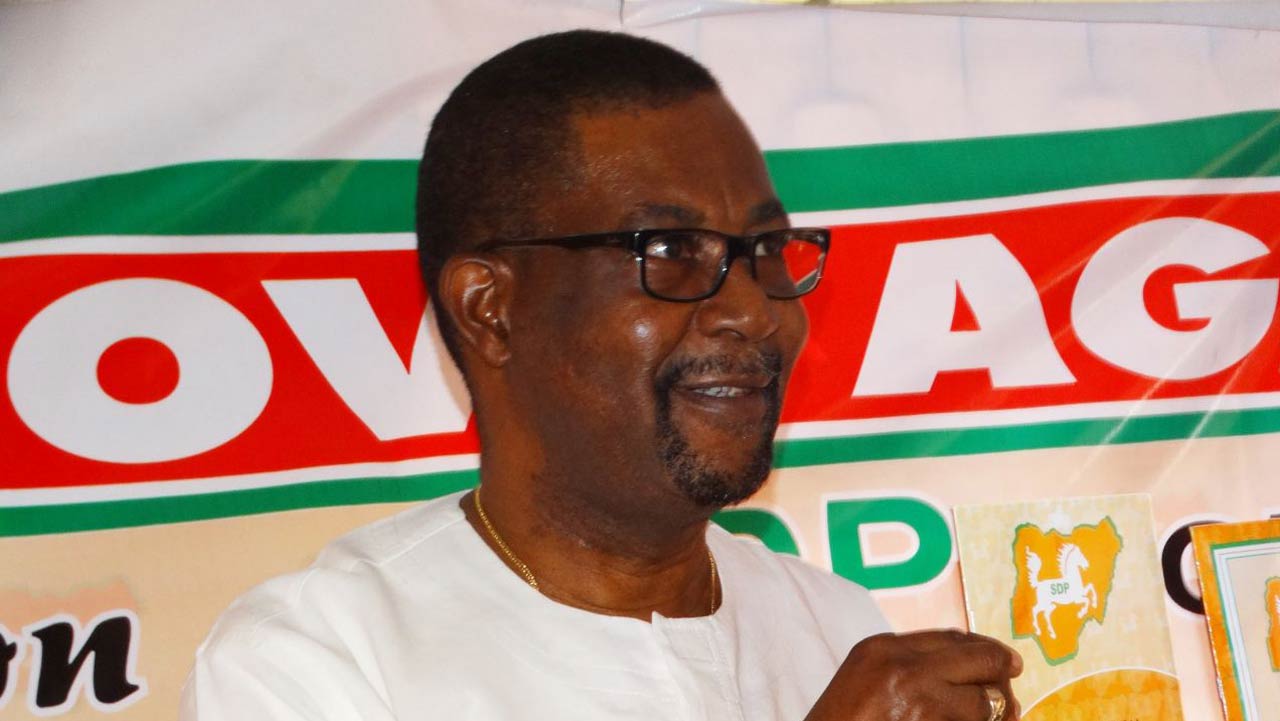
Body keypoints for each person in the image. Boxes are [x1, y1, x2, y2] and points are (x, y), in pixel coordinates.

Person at [180, 30, 1021, 721]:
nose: (754, 310)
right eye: (671, 250)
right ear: (491, 309)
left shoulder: (835, 623)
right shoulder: (316, 662)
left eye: (764, 250)